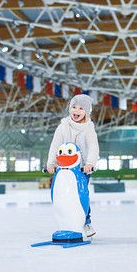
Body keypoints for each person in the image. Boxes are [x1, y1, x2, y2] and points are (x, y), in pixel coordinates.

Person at [47, 94, 99, 237]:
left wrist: (90, 163)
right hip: (63, 169)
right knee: (62, 196)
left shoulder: (88, 128)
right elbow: (55, 145)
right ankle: (66, 222)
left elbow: (93, 147)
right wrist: (51, 163)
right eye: (74, 107)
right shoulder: (63, 126)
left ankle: (86, 222)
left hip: (81, 169)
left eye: (81, 108)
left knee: (81, 195)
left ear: (87, 112)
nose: (76, 111)